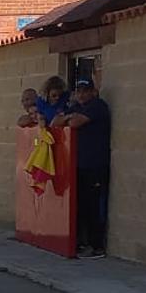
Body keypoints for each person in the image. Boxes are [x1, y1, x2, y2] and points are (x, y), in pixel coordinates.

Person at [51, 80, 111, 259]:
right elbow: (55, 122)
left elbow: (76, 123)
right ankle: (80, 243)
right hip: (78, 165)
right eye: (79, 91)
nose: (82, 95)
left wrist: (69, 118)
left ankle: (97, 247)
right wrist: (69, 117)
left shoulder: (98, 106)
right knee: (80, 206)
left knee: (94, 207)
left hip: (95, 165)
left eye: (86, 91)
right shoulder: (76, 106)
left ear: (93, 91)